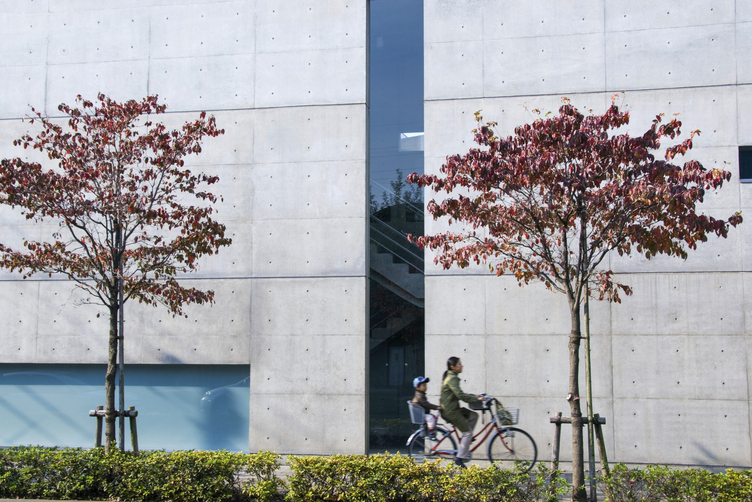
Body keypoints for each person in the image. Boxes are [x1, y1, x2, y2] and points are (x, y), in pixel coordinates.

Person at [440, 356, 483, 468]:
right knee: (468, 432)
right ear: (452, 367)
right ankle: (459, 459)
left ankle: (466, 440)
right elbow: (460, 396)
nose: (461, 365)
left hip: (454, 408)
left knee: (473, 415)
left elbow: (460, 393)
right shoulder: (452, 378)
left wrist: (475, 396)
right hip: (451, 411)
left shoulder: (452, 376)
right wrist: (476, 399)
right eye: (459, 364)